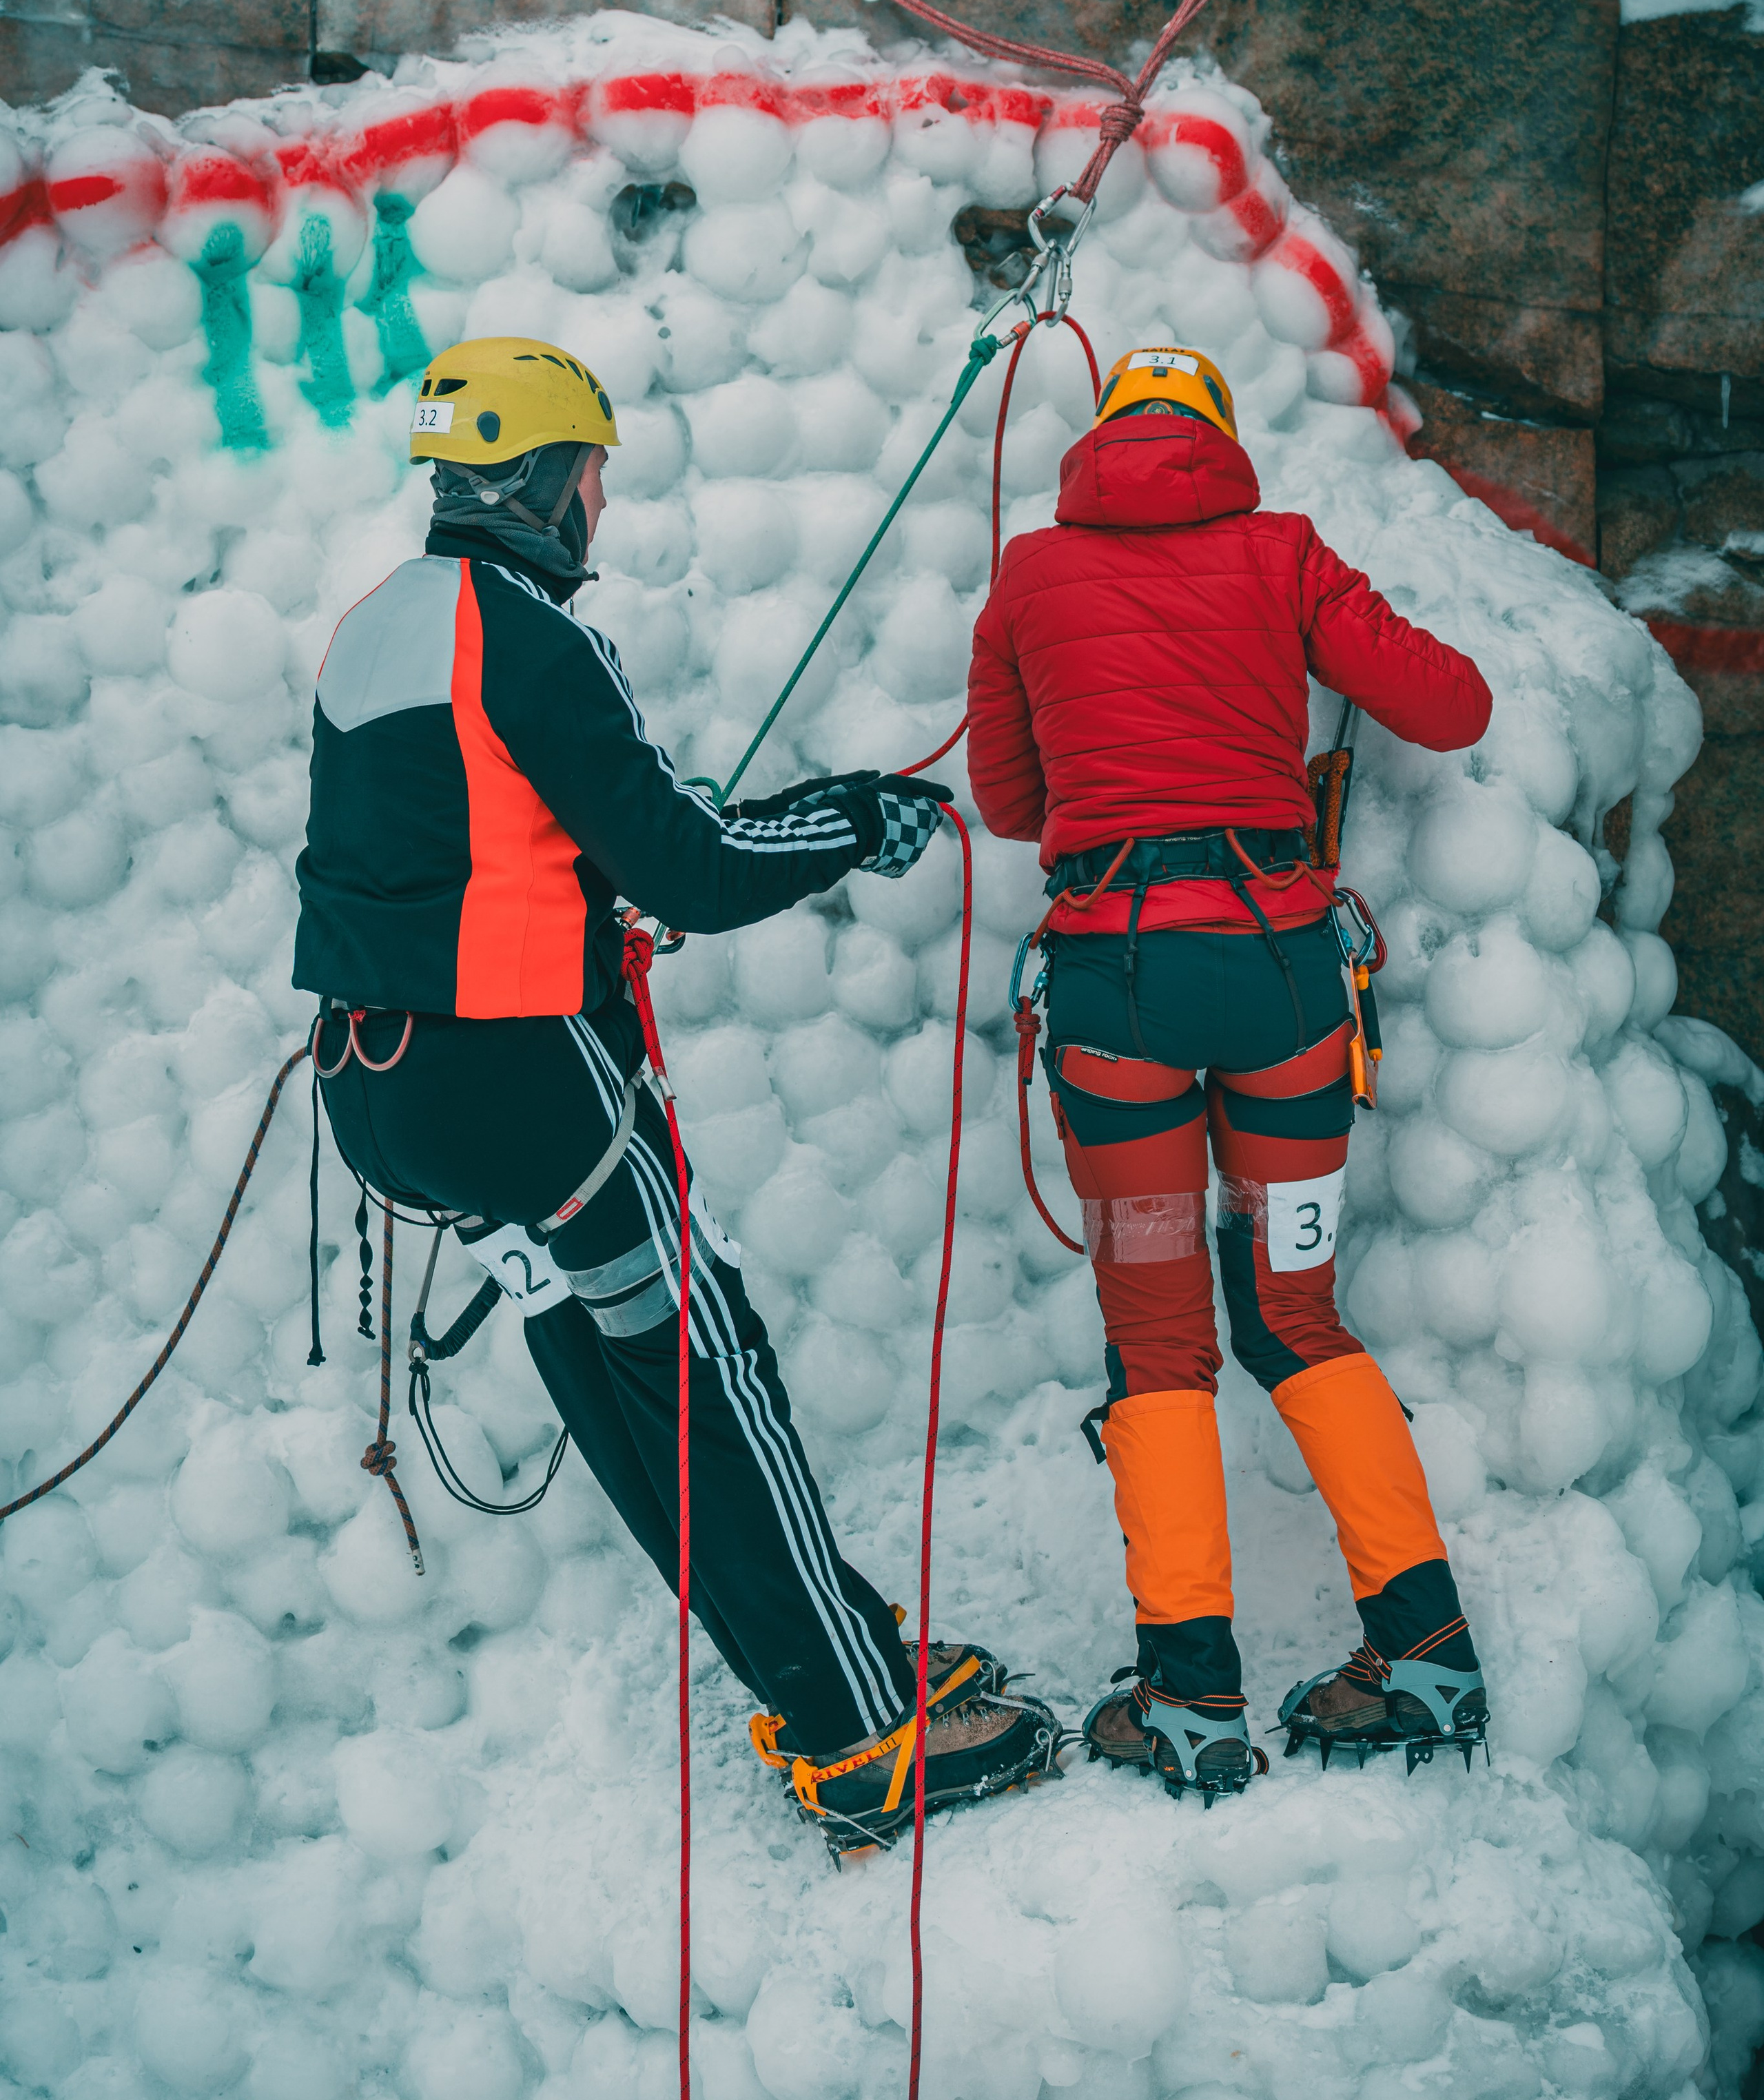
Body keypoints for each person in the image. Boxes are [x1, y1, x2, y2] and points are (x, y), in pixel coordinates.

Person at [293, 336, 1058, 1848]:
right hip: (531, 1089)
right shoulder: (531, 633)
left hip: (384, 1093)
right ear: (542, 485)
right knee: (711, 1376)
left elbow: (469, 840)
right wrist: (850, 820)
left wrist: (617, 869)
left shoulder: (375, 627)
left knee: (621, 1371)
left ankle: (827, 1655)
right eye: (591, 475)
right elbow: (688, 871)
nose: (597, 503)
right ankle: (859, 1736)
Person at [967, 342, 1495, 1804]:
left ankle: (1192, 1699)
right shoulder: (1280, 553)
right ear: (1210, 437)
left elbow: (1014, 803)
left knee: (1158, 1341)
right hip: (1279, 985)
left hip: (1118, 993)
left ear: (1102, 443)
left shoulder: (1029, 574)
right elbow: (1450, 707)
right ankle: (1428, 1652)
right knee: (1296, 1313)